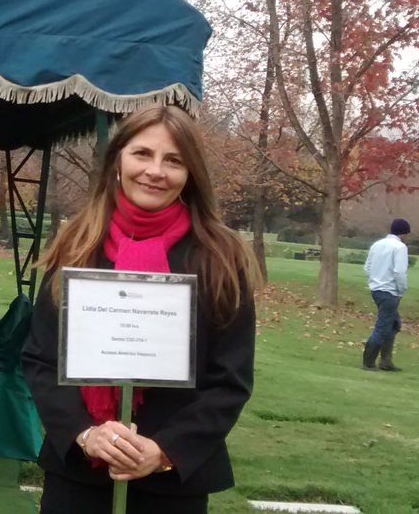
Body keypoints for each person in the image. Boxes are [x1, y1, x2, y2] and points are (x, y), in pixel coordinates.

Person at [22, 104, 259, 514]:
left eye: (174, 161)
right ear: (118, 160)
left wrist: (163, 451)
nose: (155, 171)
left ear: (190, 173)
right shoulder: (76, 245)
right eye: (142, 154)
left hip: (170, 487)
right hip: (78, 478)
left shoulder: (220, 258)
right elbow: (40, 359)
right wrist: (85, 434)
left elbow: (230, 379)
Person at [362, 218, 410, 371]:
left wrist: (374, 281)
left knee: (394, 324)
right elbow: (399, 272)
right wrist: (402, 290)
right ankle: (369, 361)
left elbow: (367, 268)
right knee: (382, 327)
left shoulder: (377, 244)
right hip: (390, 291)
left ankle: (386, 360)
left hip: (376, 290)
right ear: (405, 233)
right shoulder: (400, 247)